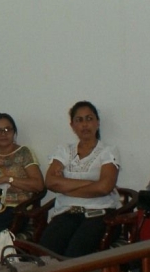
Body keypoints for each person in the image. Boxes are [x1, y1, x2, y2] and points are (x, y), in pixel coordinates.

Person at [38, 101, 122, 258]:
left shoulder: (108, 151)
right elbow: (50, 182)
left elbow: (104, 188)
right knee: (45, 254)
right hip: (67, 213)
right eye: (79, 120)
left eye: (89, 118)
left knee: (74, 254)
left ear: (97, 122)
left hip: (100, 215)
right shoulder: (64, 151)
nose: (85, 124)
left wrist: (65, 186)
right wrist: (91, 184)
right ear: (72, 126)